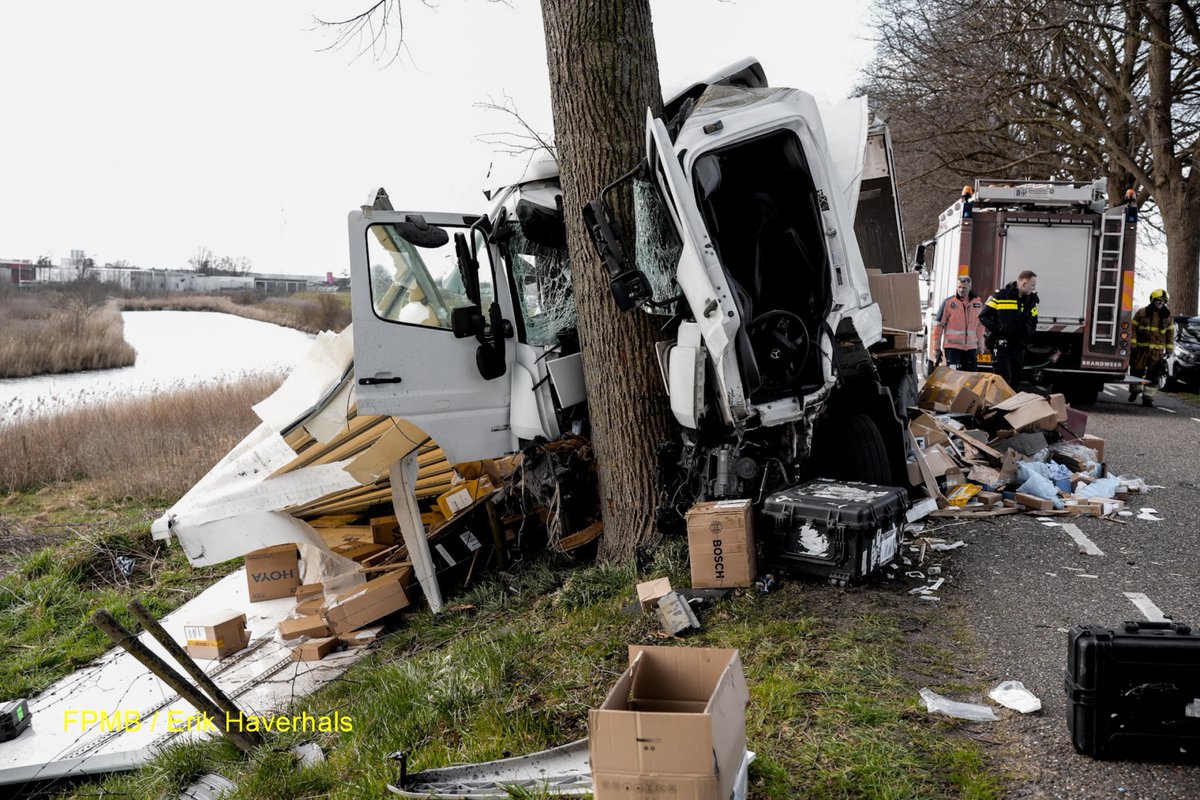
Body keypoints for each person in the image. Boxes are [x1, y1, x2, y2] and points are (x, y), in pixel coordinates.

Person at [979, 270, 1039, 389]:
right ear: (1023, 284)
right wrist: (999, 329)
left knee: (1015, 381)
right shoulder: (1001, 296)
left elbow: (1034, 320)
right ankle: (998, 406)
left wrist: (1029, 333)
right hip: (1002, 346)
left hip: (1019, 347)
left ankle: (1011, 407)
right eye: (1032, 285)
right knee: (1003, 380)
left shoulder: (1030, 301)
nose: (1034, 288)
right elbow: (983, 316)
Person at [928, 275, 986, 371]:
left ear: (970, 287)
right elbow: (938, 326)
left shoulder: (978, 303)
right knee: (953, 375)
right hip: (952, 348)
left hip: (970, 348)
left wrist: (980, 346)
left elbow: (980, 326)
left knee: (970, 376)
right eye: (959, 287)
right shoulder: (948, 303)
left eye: (964, 287)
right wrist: (936, 348)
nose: (961, 290)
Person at [1128, 288, 1174, 407]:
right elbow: (1133, 329)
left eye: (1163, 301)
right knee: (1136, 371)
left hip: (1157, 352)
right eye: (1158, 300)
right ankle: (1135, 391)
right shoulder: (1141, 313)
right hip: (1141, 350)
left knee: (1153, 376)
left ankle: (1147, 398)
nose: (1161, 303)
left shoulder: (1167, 316)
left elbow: (1170, 334)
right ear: (1152, 300)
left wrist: (1169, 349)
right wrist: (1133, 343)